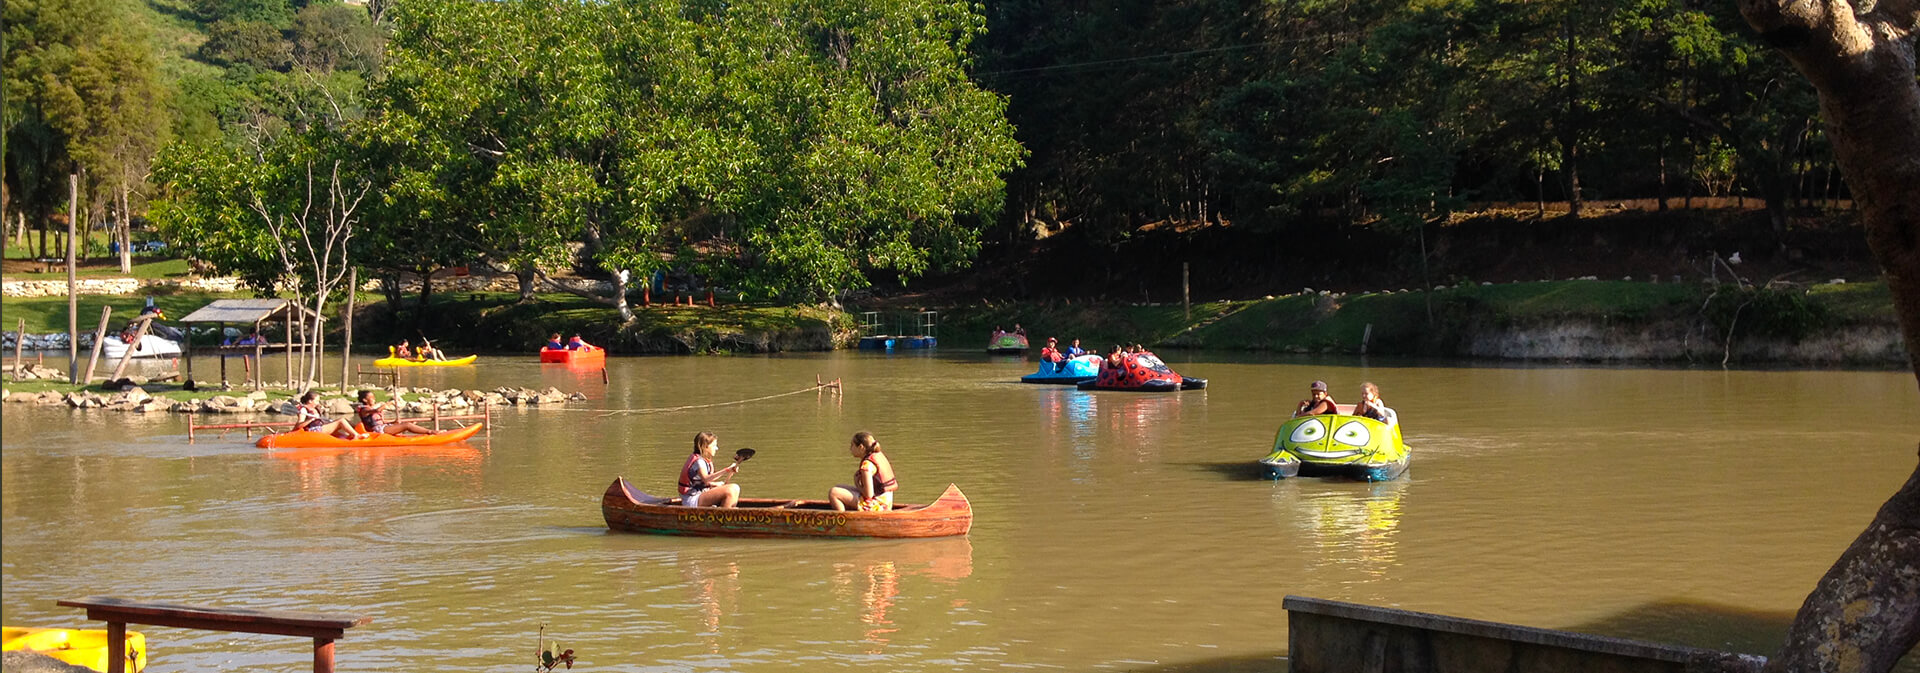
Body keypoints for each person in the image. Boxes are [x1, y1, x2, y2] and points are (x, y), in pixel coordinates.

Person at [829, 431, 897, 512]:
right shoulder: (877, 454)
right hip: (885, 502)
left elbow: (869, 495)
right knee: (839, 487)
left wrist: (857, 483)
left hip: (879, 506)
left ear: (861, 447)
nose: (850, 449)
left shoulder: (867, 465)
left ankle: (843, 521)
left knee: (834, 492)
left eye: (852, 445)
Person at [678, 432, 741, 507]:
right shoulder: (699, 461)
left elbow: (708, 481)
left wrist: (730, 472)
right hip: (692, 499)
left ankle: (725, 513)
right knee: (732, 489)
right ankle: (724, 516)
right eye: (714, 445)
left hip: (701, 494)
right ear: (705, 447)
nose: (717, 448)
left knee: (735, 489)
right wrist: (726, 470)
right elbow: (706, 479)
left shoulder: (705, 461)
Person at [354, 390, 435, 436]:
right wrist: (388, 403)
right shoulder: (364, 410)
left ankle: (423, 432)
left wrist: (393, 422)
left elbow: (382, 421)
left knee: (407, 422)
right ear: (365, 400)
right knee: (407, 425)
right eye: (372, 398)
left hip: (382, 427)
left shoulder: (370, 409)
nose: (374, 399)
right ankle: (430, 432)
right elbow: (377, 410)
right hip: (378, 430)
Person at [292, 391, 366, 439]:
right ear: (310, 401)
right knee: (341, 421)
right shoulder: (303, 410)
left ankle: (359, 432)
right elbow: (299, 425)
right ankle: (356, 435)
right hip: (313, 431)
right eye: (317, 400)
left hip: (319, 428)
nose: (318, 402)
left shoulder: (315, 408)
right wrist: (311, 419)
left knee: (345, 420)